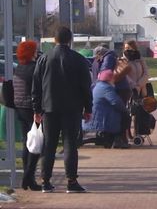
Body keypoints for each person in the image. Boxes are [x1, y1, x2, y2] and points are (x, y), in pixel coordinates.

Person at [32, 26, 92, 193]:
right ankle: (71, 181)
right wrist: (88, 107)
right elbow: (85, 86)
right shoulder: (79, 60)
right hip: (72, 108)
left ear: (54, 40)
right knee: (70, 145)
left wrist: (37, 109)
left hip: (49, 108)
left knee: (49, 145)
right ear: (70, 40)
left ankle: (45, 181)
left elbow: (36, 86)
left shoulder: (43, 59)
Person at [13, 41, 41, 191]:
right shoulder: (33, 68)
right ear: (32, 52)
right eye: (36, 50)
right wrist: (38, 111)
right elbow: (36, 90)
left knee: (26, 143)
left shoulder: (19, 67)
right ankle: (28, 178)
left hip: (20, 108)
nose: (37, 52)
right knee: (36, 144)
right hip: (31, 109)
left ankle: (28, 178)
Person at [88, 70, 126, 149]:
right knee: (125, 116)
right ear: (109, 79)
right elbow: (116, 102)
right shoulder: (106, 88)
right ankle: (118, 140)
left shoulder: (97, 85)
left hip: (95, 115)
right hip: (100, 119)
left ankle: (114, 138)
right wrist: (124, 109)